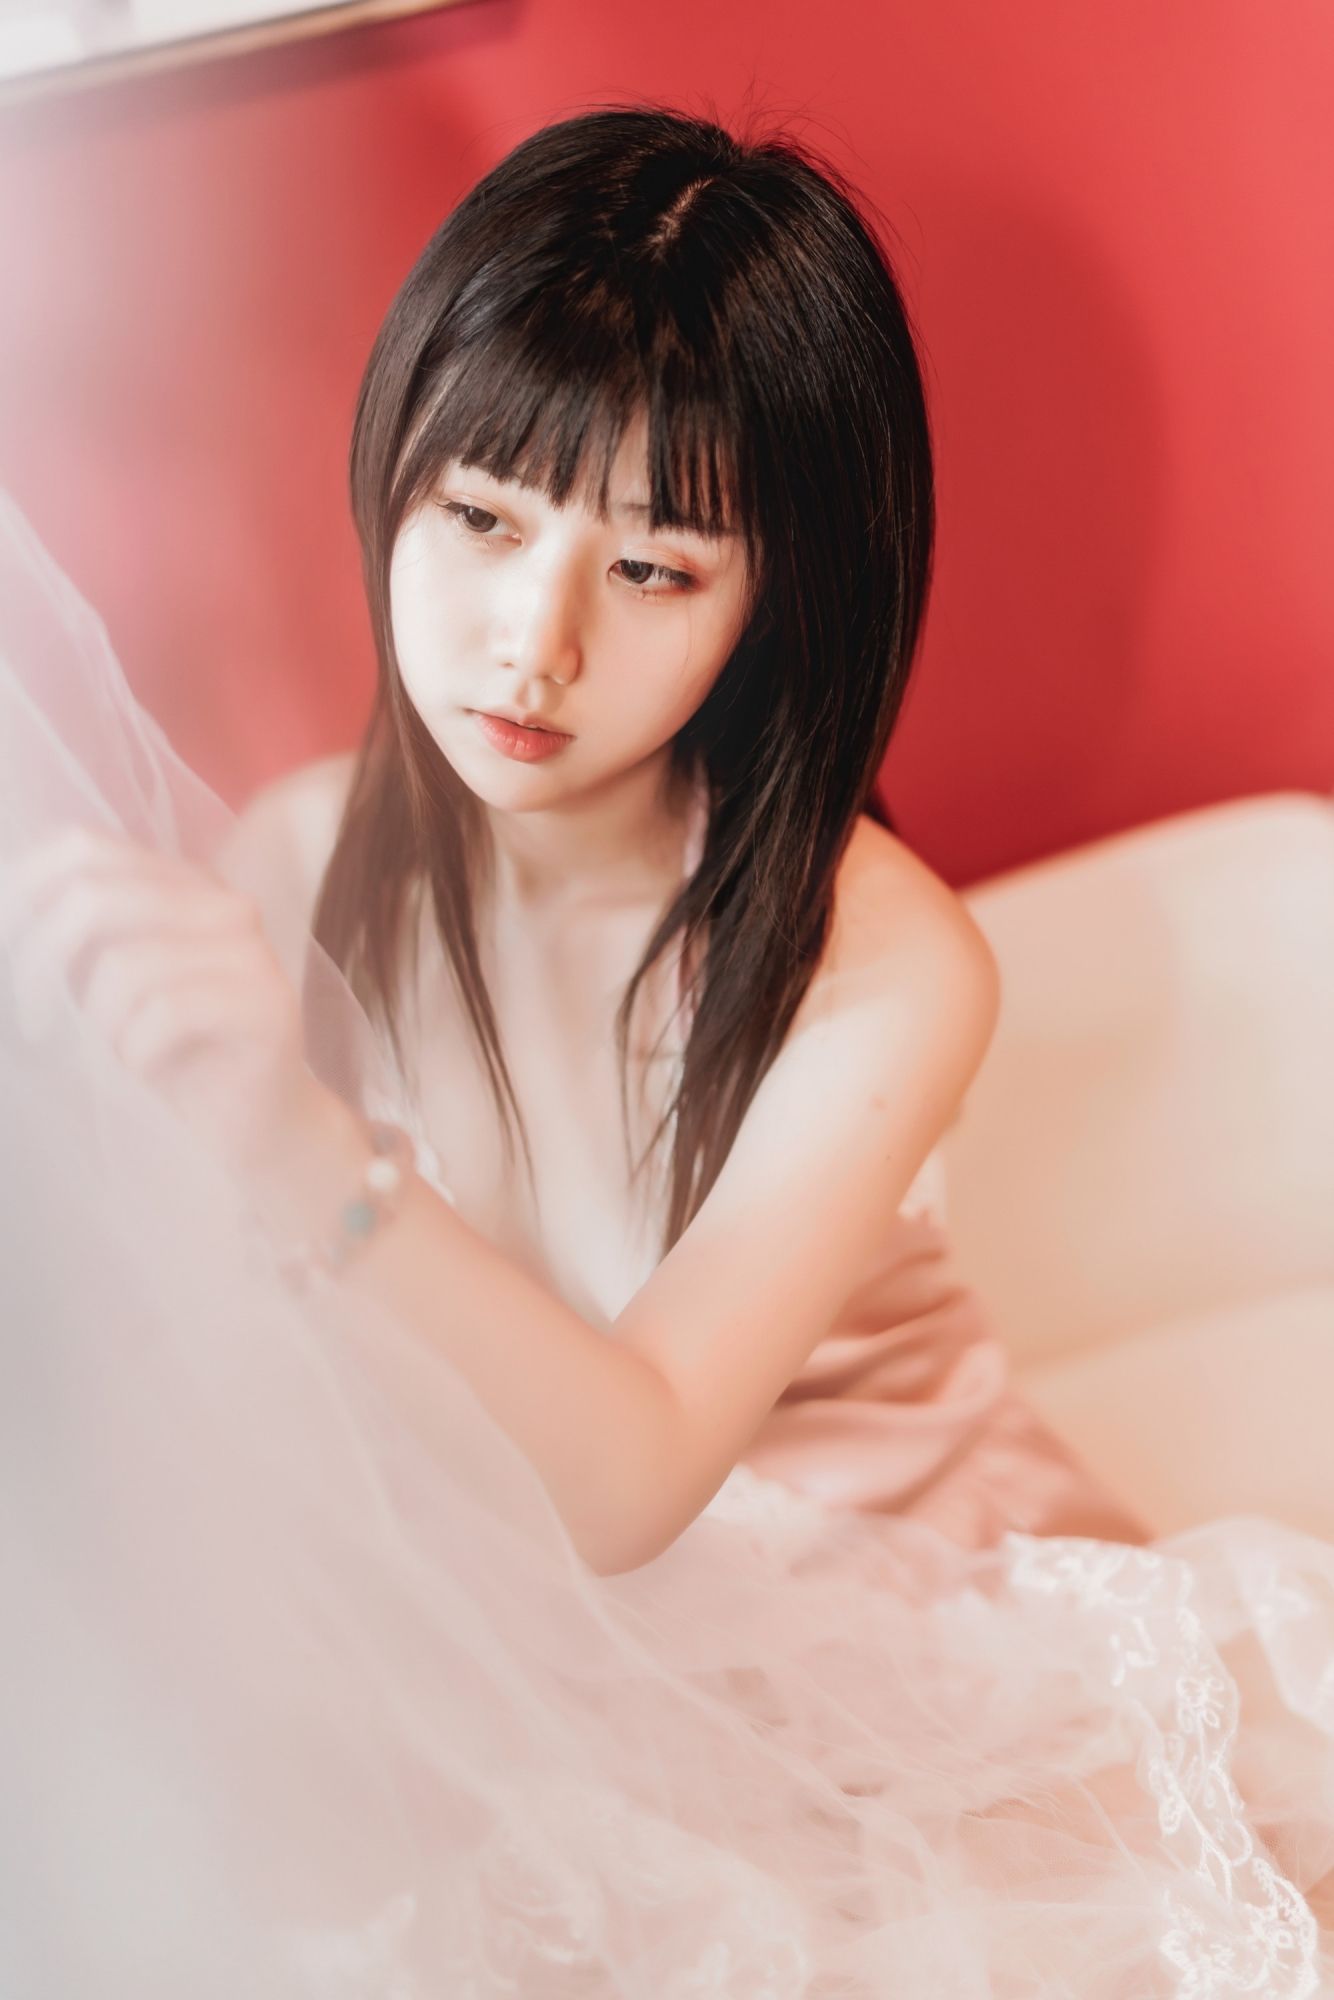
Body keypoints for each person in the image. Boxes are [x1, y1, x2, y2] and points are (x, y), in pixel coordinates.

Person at [1, 101, 1331, 1998]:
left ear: (777, 595)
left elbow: (633, 1482)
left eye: (650, 570)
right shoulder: (294, 861)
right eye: (479, 518)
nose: (529, 645)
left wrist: (304, 1154)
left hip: (896, 1615)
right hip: (513, 1629)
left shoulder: (881, 961)